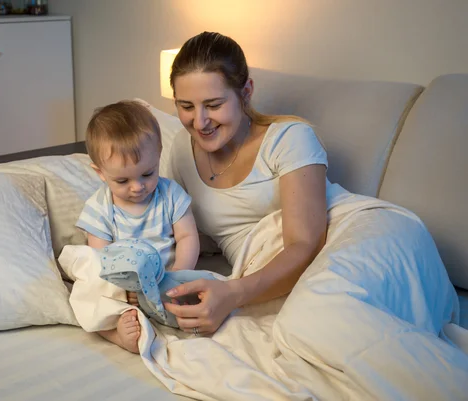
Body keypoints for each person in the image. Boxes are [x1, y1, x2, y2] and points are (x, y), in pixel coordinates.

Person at [161, 31, 459, 343]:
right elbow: (177, 229)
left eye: (213, 104)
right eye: (186, 106)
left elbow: (304, 244)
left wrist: (233, 293)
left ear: (246, 92)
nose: (200, 121)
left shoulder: (289, 137)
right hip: (271, 267)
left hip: (359, 233)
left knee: (323, 319)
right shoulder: (182, 148)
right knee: (315, 331)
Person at [76, 100, 200, 353]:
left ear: (158, 155)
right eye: (122, 180)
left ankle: (173, 315)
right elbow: (103, 260)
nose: (137, 187)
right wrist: (123, 291)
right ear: (100, 173)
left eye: (148, 173)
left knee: (202, 294)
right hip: (125, 289)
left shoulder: (170, 195)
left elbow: (188, 236)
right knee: (87, 299)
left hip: (168, 281)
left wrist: (177, 276)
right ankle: (117, 334)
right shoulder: (99, 208)